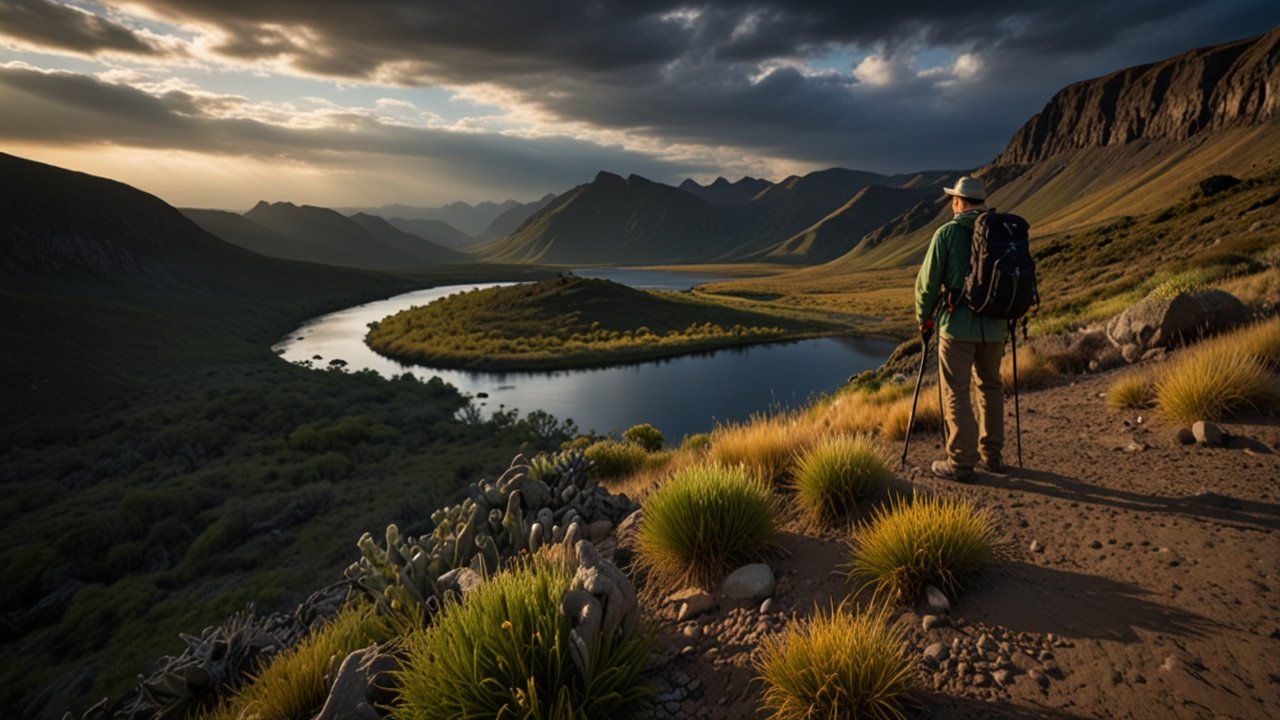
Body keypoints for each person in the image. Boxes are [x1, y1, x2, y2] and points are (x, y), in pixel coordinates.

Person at [914, 176, 1006, 482]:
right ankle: (992, 455)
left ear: (958, 202)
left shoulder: (948, 233)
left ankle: (961, 463)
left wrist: (924, 319)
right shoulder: (1001, 231)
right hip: (994, 326)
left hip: (957, 327)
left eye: (953, 200)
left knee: (956, 390)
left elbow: (927, 285)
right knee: (991, 387)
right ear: (980, 202)